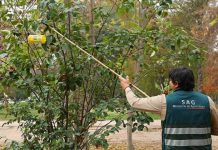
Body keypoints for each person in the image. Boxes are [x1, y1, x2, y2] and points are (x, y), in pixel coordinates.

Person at [119, 67, 218, 150]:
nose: (169, 82)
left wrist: (126, 88)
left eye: (170, 80)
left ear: (176, 83)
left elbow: (135, 102)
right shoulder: (207, 101)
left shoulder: (164, 101)